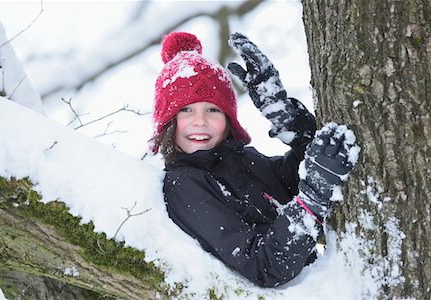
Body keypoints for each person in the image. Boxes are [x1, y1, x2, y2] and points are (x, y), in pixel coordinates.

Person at [150, 31, 360, 288]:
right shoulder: (184, 185)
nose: (200, 121)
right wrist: (312, 198)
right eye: (186, 110)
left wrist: (291, 123)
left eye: (213, 109)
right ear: (168, 121)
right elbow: (262, 266)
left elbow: (295, 182)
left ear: (229, 120)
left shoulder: (239, 160)